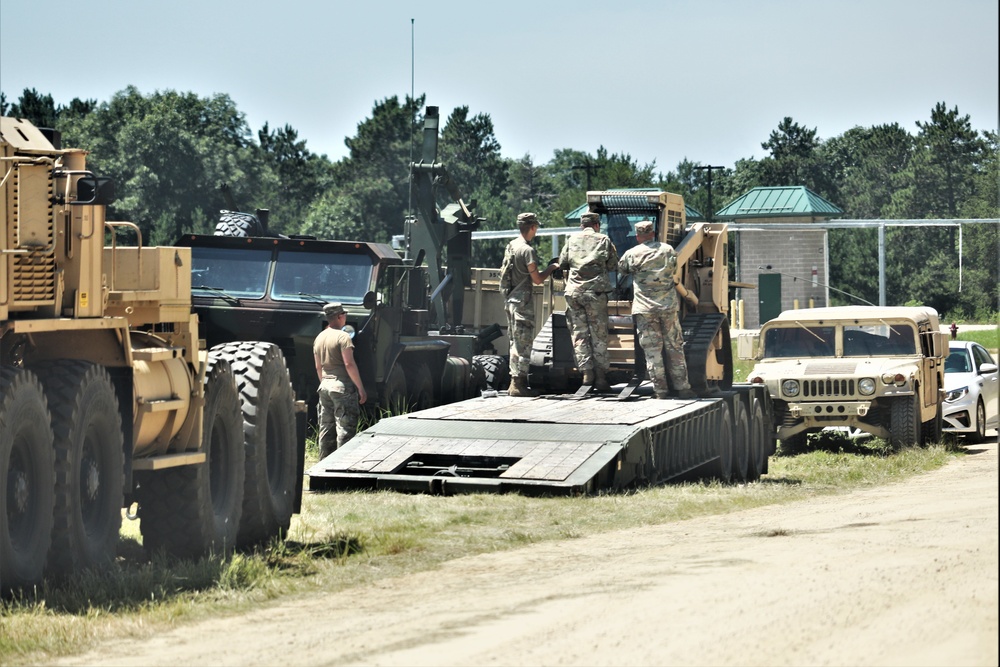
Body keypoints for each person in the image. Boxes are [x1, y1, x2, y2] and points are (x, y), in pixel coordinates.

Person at [617, 220, 697, 400]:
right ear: (653, 233)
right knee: (675, 346)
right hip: (668, 307)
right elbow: (674, 269)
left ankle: (661, 390)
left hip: (645, 309)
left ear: (638, 236)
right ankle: (683, 388)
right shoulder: (668, 250)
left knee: (653, 351)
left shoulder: (632, 253)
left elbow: (622, 269)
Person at [558, 211, 619, 392]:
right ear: (597, 225)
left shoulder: (571, 239)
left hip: (574, 293)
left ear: (581, 225)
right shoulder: (603, 240)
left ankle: (586, 374)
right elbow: (613, 265)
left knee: (579, 335)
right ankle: (600, 378)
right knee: (598, 335)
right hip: (595, 293)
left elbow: (562, 263)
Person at [500, 212, 558, 397]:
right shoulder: (527, 250)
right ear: (532, 227)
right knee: (523, 343)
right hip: (522, 303)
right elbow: (538, 279)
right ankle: (518, 384)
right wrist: (552, 268)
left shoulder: (511, 246)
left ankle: (514, 383)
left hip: (510, 300)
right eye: (536, 227)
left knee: (514, 342)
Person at [313, 302, 367, 458]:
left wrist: (324, 382)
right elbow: (349, 364)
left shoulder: (319, 337)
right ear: (339, 316)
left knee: (326, 429)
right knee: (345, 428)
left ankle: (323, 465)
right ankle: (342, 467)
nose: (345, 317)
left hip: (324, 386)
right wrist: (360, 388)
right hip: (342, 387)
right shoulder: (343, 336)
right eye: (344, 315)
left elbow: (318, 366)